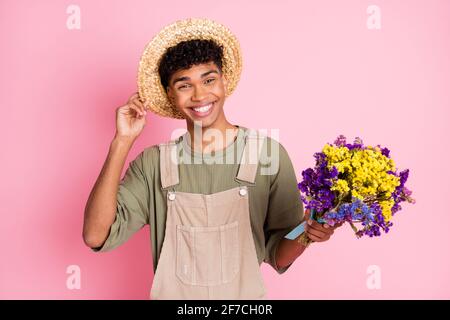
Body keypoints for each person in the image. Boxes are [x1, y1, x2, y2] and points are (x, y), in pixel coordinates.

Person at [83, 18, 341, 300]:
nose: (200, 95)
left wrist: (308, 230)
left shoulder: (266, 155)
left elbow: (278, 255)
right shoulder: (153, 164)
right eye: (184, 85)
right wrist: (122, 141)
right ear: (170, 94)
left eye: (208, 79)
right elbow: (96, 235)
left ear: (224, 81)